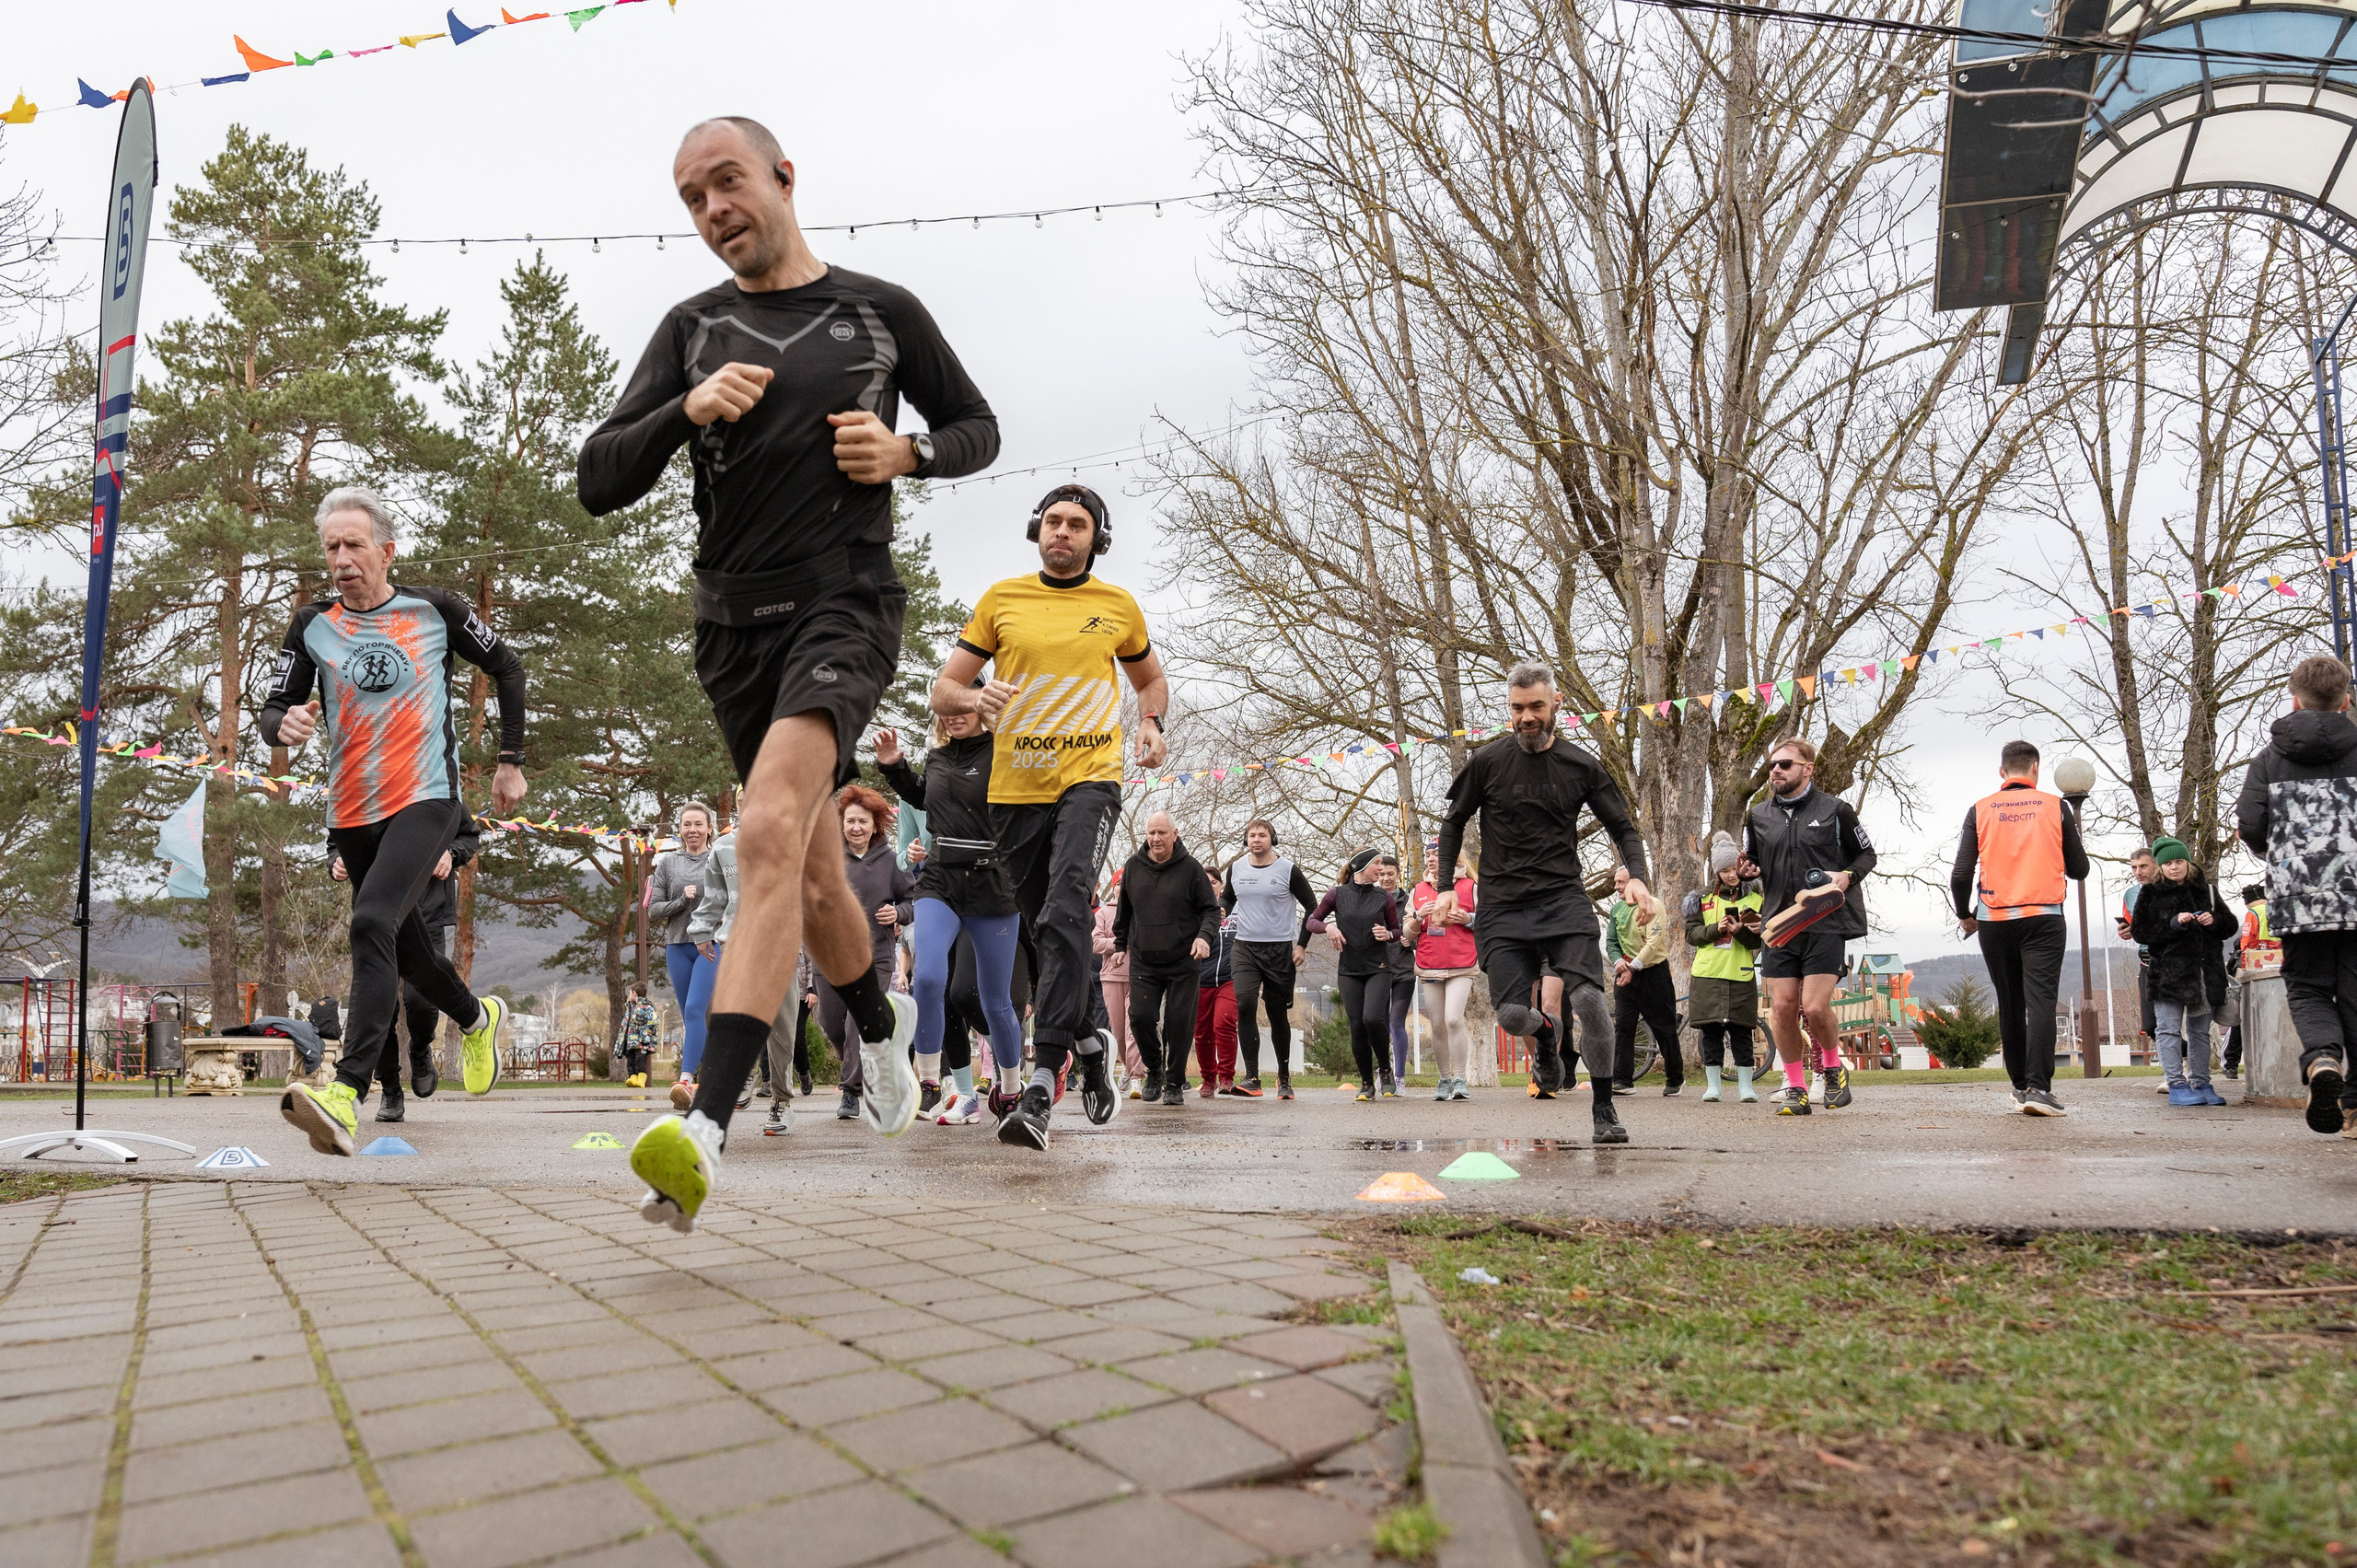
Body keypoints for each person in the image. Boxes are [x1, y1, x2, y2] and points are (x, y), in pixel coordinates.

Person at [578, 118, 998, 1229]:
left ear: (780, 178)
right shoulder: (692, 328)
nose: (714, 209)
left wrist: (911, 453)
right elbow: (595, 477)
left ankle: (703, 1127)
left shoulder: (881, 311)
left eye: (727, 183)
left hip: (842, 608)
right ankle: (878, 1019)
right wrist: (683, 410)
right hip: (730, 632)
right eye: (691, 198)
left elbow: (978, 425)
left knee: (762, 829)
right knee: (808, 878)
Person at [261, 487, 524, 1156]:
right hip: (351, 809)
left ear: (386, 550)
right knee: (403, 948)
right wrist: (282, 723)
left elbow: (508, 665)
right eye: (331, 547)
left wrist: (510, 760)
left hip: (427, 798)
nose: (341, 559)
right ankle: (474, 1014)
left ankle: (346, 1092)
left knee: (370, 923)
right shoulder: (310, 624)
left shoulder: (436, 610)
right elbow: (274, 706)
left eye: (353, 545)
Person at [930, 483, 1169, 1147]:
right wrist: (976, 699)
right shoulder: (1002, 599)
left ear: (1097, 537)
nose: (1063, 531)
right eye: (1054, 522)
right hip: (1014, 790)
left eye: (1078, 524)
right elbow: (942, 687)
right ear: (1039, 530)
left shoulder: (1116, 606)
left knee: (1067, 908)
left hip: (1090, 777)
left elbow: (1149, 679)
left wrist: (1150, 722)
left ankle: (1042, 1078)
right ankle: (1093, 1044)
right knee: (1045, 928)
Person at [1433, 663, 1649, 1144]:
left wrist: (1636, 878)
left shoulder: (1581, 765)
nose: (1526, 717)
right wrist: (1447, 883)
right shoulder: (1487, 762)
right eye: (1517, 708)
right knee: (1511, 1016)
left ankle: (1604, 1108)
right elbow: (1453, 822)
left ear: (1556, 705)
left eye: (1535, 707)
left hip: (1562, 901)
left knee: (1591, 1001)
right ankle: (1547, 1039)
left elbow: (1623, 828)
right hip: (1503, 909)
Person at [875, 709, 1027, 1130]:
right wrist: (895, 767)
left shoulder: (1005, 749)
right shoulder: (938, 754)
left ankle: (1011, 1089)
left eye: (962, 709)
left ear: (983, 707)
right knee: (927, 978)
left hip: (992, 888)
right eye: (946, 710)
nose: (953, 717)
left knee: (995, 1003)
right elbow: (923, 797)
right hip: (940, 882)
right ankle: (930, 1082)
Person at [2235, 652, 2357, 1135]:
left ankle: (2323, 1061)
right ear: (2346, 699)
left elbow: (2250, 825)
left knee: (2307, 987)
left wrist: (2282, 858)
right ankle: (2354, 1105)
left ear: (2294, 699)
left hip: (2298, 895)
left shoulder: (2269, 760)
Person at [1951, 739, 2091, 1116]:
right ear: (2035, 769)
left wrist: (1966, 912)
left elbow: (1962, 872)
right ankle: (2039, 1090)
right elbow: (2079, 869)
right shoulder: (2054, 806)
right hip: (2044, 916)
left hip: (1994, 919)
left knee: (2009, 1003)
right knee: (2041, 1002)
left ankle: (2018, 1086)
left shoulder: (1979, 809)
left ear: (2002, 772)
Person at [1741, 736, 1876, 1116]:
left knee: (1814, 1007)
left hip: (1825, 920)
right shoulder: (1758, 815)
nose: (1776, 771)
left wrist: (1848, 876)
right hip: (1779, 923)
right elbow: (1752, 860)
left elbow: (1868, 854)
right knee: (1782, 1008)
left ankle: (1833, 1070)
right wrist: (1746, 869)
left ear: (1808, 768)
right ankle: (1796, 1087)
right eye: (1772, 766)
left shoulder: (1837, 810)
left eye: (1785, 764)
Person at [330, 811, 479, 1121]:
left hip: (428, 913)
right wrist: (335, 861)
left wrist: (451, 854)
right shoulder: (368, 790)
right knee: (380, 1004)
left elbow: (468, 835)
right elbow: (339, 838)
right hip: (379, 915)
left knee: (420, 1001)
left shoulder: (431, 786)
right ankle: (391, 1090)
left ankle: (421, 1048)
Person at [820, 786, 917, 1121]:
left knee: (854, 1022)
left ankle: (850, 1092)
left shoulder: (891, 860)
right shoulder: (827, 856)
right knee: (831, 1025)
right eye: (850, 821)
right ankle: (864, 1063)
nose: (856, 828)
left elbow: (912, 900)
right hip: (830, 955)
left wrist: (898, 914)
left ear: (875, 825)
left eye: (863, 821)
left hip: (874, 955)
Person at [1111, 811, 1219, 1110]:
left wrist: (1203, 938)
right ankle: (1154, 1070)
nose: (1156, 839)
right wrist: (1120, 944)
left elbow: (1210, 910)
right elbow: (1125, 912)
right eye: (1151, 833)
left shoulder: (1190, 869)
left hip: (1184, 960)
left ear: (1175, 833)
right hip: (1144, 960)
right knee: (1141, 1016)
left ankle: (1173, 1082)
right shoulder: (1133, 867)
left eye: (1162, 833)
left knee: (1178, 1021)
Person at [2130, 838, 2234, 1107]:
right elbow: (2140, 932)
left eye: (2178, 862)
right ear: (2161, 867)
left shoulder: (2208, 891)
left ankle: (2201, 1082)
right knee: (2168, 1030)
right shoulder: (2150, 893)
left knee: (2200, 1031)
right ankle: (2176, 1084)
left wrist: (2215, 920)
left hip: (2204, 973)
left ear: (2187, 862)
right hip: (2168, 975)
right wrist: (2173, 924)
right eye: (2167, 864)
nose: (2173, 868)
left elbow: (2230, 925)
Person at [1221, 819, 1317, 1098]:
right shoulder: (1236, 869)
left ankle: (1284, 1078)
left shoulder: (1287, 869)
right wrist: (1221, 910)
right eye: (1251, 835)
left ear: (1272, 839)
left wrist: (1301, 945)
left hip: (1279, 950)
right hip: (1245, 948)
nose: (1256, 839)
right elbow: (1228, 898)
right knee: (1246, 1004)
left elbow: (1312, 906)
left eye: (1262, 835)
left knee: (1277, 1015)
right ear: (1246, 840)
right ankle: (1252, 1077)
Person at [1309, 850, 1405, 1102]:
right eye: (1376, 863)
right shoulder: (1336, 894)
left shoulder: (1383, 897)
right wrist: (1329, 927)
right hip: (1349, 970)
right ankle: (1366, 1084)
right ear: (1360, 865)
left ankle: (1385, 1070)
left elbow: (1396, 930)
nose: (1381, 868)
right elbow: (1312, 921)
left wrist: (1389, 935)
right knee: (1357, 1027)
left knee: (1372, 1019)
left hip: (1379, 968)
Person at [1683, 832, 1763, 1104]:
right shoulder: (1700, 899)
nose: (1732, 875)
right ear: (1717, 871)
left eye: (1735, 869)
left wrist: (1740, 931)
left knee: (1742, 1033)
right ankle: (1713, 1086)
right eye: (1726, 870)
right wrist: (1712, 929)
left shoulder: (1756, 899)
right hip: (1708, 975)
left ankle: (1745, 1087)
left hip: (1740, 975)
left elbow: (1759, 941)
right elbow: (1691, 934)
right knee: (1711, 1033)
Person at [649, 803, 718, 1109]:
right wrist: (681, 900)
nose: (693, 830)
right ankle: (712, 1078)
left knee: (694, 1009)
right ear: (680, 829)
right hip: (677, 946)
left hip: (711, 945)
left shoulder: (719, 858)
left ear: (709, 828)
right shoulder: (667, 863)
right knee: (695, 1018)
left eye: (698, 824)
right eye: (687, 824)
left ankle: (685, 1079)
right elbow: (652, 910)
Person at [1404, 845, 1478, 1101]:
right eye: (1428, 856)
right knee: (1436, 1025)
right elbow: (1407, 933)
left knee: (1454, 1019)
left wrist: (1468, 918)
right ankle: (1444, 1079)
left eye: (1436, 855)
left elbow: (1490, 920)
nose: (1431, 859)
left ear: (1451, 859)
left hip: (1462, 963)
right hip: (1430, 963)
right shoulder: (1419, 890)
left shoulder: (1470, 886)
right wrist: (1416, 917)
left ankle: (1460, 1079)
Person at [1606, 862, 1683, 1096]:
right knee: (1624, 1027)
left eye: (1621, 882)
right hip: (1625, 973)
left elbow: (1654, 942)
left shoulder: (1654, 906)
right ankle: (1622, 1080)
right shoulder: (1616, 910)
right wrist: (1619, 962)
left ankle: (1675, 1080)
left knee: (1664, 1028)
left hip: (1653, 973)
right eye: (1616, 881)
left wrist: (1634, 968)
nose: (1616, 886)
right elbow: (1611, 942)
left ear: (1636, 883)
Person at [1092, 880, 1144, 1093]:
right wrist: (1120, 943)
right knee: (1119, 1033)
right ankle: (1126, 1065)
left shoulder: (1142, 909)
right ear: (1113, 887)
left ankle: (1136, 1077)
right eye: (1119, 883)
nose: (1122, 887)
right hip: (1112, 976)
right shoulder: (1103, 913)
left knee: (1134, 1028)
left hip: (1139, 977)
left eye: (1126, 883)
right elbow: (1095, 943)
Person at [2117, 845, 2162, 1081]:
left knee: (2169, 1022)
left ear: (2156, 865)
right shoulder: (2131, 894)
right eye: (2134, 868)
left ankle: (2175, 1073)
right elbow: (2129, 926)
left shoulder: (2168, 889)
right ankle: (2185, 1056)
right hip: (2145, 962)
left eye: (2143, 866)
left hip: (2168, 960)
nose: (2138, 872)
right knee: (2151, 1025)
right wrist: (2125, 932)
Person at [1196, 870, 1242, 1096]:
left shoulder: (1236, 911)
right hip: (1199, 981)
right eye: (1205, 882)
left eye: (1213, 882)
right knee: (1202, 1033)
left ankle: (1226, 1077)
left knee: (1223, 1024)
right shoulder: (1191, 911)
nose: (1210, 885)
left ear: (1221, 886)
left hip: (1229, 980)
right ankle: (1207, 1079)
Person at [1374, 854, 1415, 1095]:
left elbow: (1423, 933)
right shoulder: (1371, 900)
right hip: (1377, 971)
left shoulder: (1409, 901)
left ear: (1398, 874)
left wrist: (1412, 942)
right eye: (1381, 874)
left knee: (1396, 1023)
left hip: (1403, 972)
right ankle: (1384, 1072)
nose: (1386, 878)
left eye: (1390, 874)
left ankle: (1399, 1079)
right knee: (1378, 1024)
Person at [2224, 882, 2271, 1079]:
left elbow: (2247, 942)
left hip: (2256, 965)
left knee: (2241, 1016)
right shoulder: (2276, 907)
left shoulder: (2254, 913)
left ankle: (2231, 1064)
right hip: (2282, 964)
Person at [620, 983, 659, 1087]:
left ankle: (641, 1079)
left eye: (630, 993)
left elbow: (653, 1021)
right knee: (630, 1060)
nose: (629, 995)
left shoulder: (647, 1007)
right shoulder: (630, 1008)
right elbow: (625, 1024)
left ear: (634, 993)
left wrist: (643, 1034)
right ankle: (633, 1078)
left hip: (641, 1042)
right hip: (630, 1041)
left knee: (640, 1060)